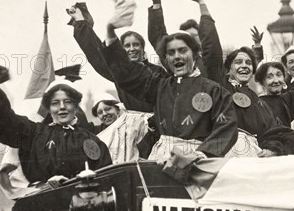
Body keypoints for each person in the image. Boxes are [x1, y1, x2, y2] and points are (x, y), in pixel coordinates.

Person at [100, 17, 237, 159]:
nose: (177, 56)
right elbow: (127, 72)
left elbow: (226, 127)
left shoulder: (215, 91)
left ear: (195, 54)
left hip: (200, 159)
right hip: (162, 158)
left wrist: (201, 154)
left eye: (182, 50)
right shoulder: (159, 87)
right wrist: (110, 31)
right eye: (171, 53)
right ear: (166, 58)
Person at [0, 67, 112, 186]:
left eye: (67, 102)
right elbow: (5, 121)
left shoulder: (91, 140)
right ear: (48, 108)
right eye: (55, 103)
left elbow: (107, 178)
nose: (62, 107)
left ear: (75, 106)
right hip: (42, 209)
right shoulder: (33, 133)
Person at [222, 47, 294, 157]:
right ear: (261, 82)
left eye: (279, 75)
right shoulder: (255, 103)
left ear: (284, 79)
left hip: (282, 153)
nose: (276, 80)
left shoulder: (285, 99)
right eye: (269, 77)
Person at [67, 3, 166, 113]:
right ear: (121, 51)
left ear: (143, 49)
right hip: (134, 126)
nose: (132, 49)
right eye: (127, 46)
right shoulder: (121, 73)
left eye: (136, 44)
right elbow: (96, 54)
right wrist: (80, 22)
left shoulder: (158, 71)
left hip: (160, 123)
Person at [145, 0, 223, 81]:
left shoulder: (209, 65)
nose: (191, 41)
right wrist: (156, 3)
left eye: (195, 37)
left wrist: (200, 1)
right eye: (186, 39)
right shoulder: (175, 62)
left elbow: (210, 40)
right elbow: (157, 37)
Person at [91, 93, 154, 163]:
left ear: (117, 109)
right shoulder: (100, 133)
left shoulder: (133, 122)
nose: (104, 114)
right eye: (100, 112)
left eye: (108, 109)